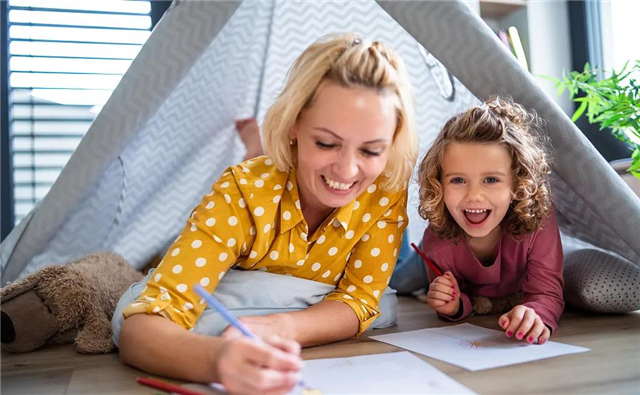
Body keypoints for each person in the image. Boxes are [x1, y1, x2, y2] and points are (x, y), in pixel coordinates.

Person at [113, 33, 417, 394]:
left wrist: (281, 327)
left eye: (370, 151)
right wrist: (218, 360)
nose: (347, 171)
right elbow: (141, 326)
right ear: (293, 124)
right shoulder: (242, 192)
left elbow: (361, 299)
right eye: (326, 143)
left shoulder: (385, 188)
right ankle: (255, 147)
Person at [395, 97, 563, 345]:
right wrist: (450, 305)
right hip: (428, 256)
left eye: (491, 180)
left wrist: (536, 314)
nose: (474, 196)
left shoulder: (538, 221)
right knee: (399, 282)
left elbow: (547, 292)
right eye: (458, 180)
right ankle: (399, 237)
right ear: (438, 184)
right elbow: (461, 299)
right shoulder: (437, 239)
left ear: (517, 184)